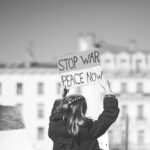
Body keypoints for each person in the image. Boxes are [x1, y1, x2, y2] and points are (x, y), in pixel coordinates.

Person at [48, 73, 120, 150]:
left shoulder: (54, 129)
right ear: (82, 110)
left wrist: (61, 97)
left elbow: (55, 116)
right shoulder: (88, 129)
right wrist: (107, 89)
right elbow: (109, 115)